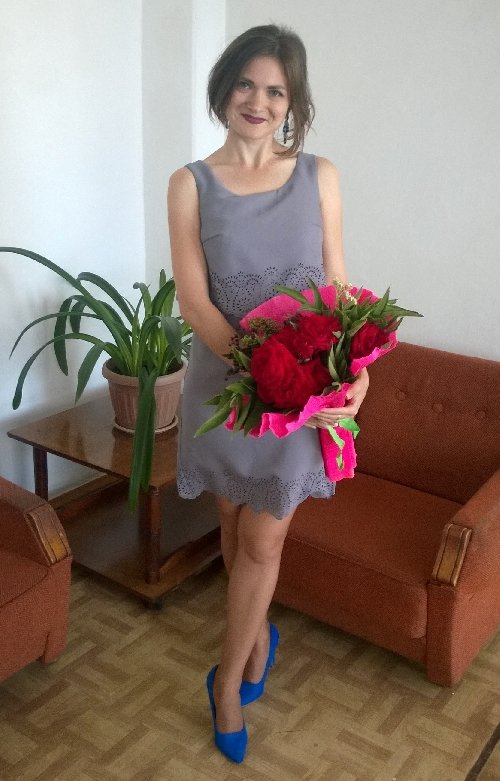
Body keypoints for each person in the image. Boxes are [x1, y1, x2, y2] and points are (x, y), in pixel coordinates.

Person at [167, 24, 369, 763]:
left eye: (276, 90)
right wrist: (263, 369)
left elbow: (338, 286)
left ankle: (225, 683)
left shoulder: (320, 175)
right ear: (224, 88)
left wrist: (357, 367)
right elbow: (195, 302)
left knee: (262, 537)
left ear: (293, 102)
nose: (258, 101)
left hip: (303, 396)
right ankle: (256, 641)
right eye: (246, 84)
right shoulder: (190, 183)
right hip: (226, 390)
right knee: (231, 523)